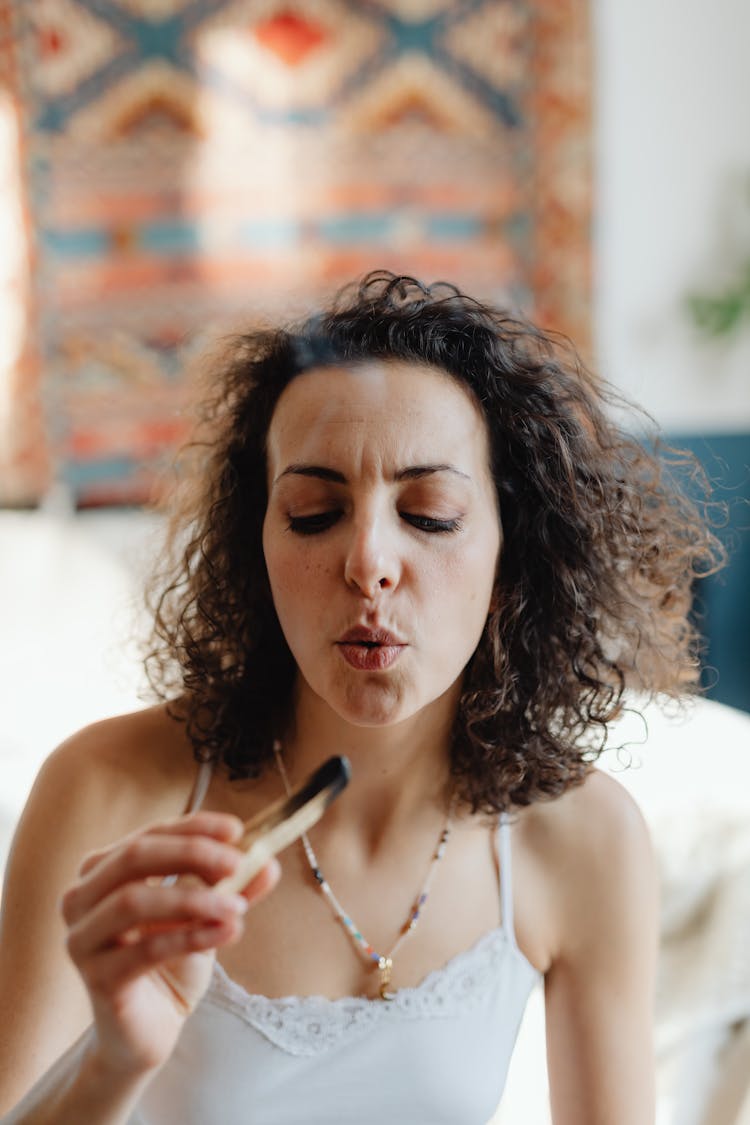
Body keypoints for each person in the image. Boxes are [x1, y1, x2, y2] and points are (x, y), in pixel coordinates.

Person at [0, 271, 722, 1124]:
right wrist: (114, 1065)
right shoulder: (109, 793)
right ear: (257, 545)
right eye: (312, 512)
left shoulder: (584, 839)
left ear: (510, 561)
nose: (368, 561)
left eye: (431, 513)